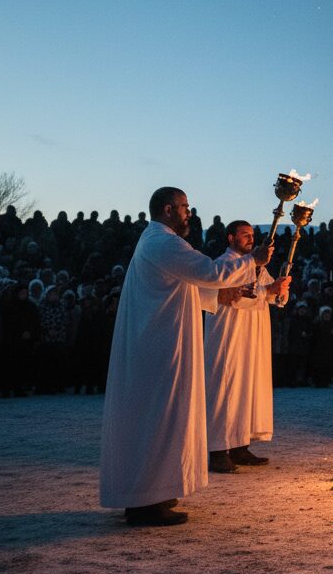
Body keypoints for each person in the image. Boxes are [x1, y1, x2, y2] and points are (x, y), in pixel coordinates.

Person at [99, 188, 273, 527]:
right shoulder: (163, 242)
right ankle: (146, 501)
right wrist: (253, 261)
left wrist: (222, 296)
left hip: (162, 341)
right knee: (158, 419)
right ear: (168, 209)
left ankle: (155, 494)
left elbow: (193, 284)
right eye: (184, 207)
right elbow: (209, 272)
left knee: (164, 419)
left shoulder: (157, 241)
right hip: (160, 345)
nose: (188, 213)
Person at [201, 221, 288, 474]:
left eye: (252, 235)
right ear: (231, 238)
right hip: (230, 336)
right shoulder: (224, 264)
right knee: (225, 388)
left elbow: (269, 294)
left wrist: (279, 291)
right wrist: (266, 291)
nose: (251, 239)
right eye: (245, 235)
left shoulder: (256, 266)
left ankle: (240, 445)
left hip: (252, 335)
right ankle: (218, 451)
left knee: (246, 388)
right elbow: (235, 296)